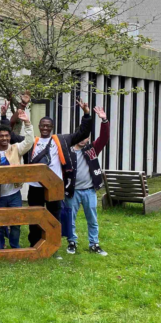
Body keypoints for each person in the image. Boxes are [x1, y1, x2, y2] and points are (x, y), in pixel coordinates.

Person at [26, 99, 93, 251]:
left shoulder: (62, 140)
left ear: (52, 128)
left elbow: (83, 132)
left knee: (53, 217)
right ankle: (35, 244)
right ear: (39, 126)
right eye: (42, 125)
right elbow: (11, 138)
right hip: (35, 186)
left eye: (48, 126)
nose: (45, 128)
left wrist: (86, 113)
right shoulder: (32, 142)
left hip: (54, 186)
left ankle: (52, 245)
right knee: (35, 215)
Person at [64, 107, 110, 256]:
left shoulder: (92, 149)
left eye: (87, 137)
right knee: (70, 218)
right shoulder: (68, 151)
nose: (85, 140)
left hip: (89, 190)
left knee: (92, 218)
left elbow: (104, 138)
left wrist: (104, 120)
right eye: (82, 137)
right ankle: (72, 242)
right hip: (73, 191)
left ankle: (94, 244)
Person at [0, 109, 35, 248]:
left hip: (13, 194)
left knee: (16, 222)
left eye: (6, 135)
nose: (4, 138)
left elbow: (29, 141)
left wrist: (27, 123)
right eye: (1, 136)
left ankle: (14, 245)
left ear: (10, 137)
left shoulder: (16, 148)